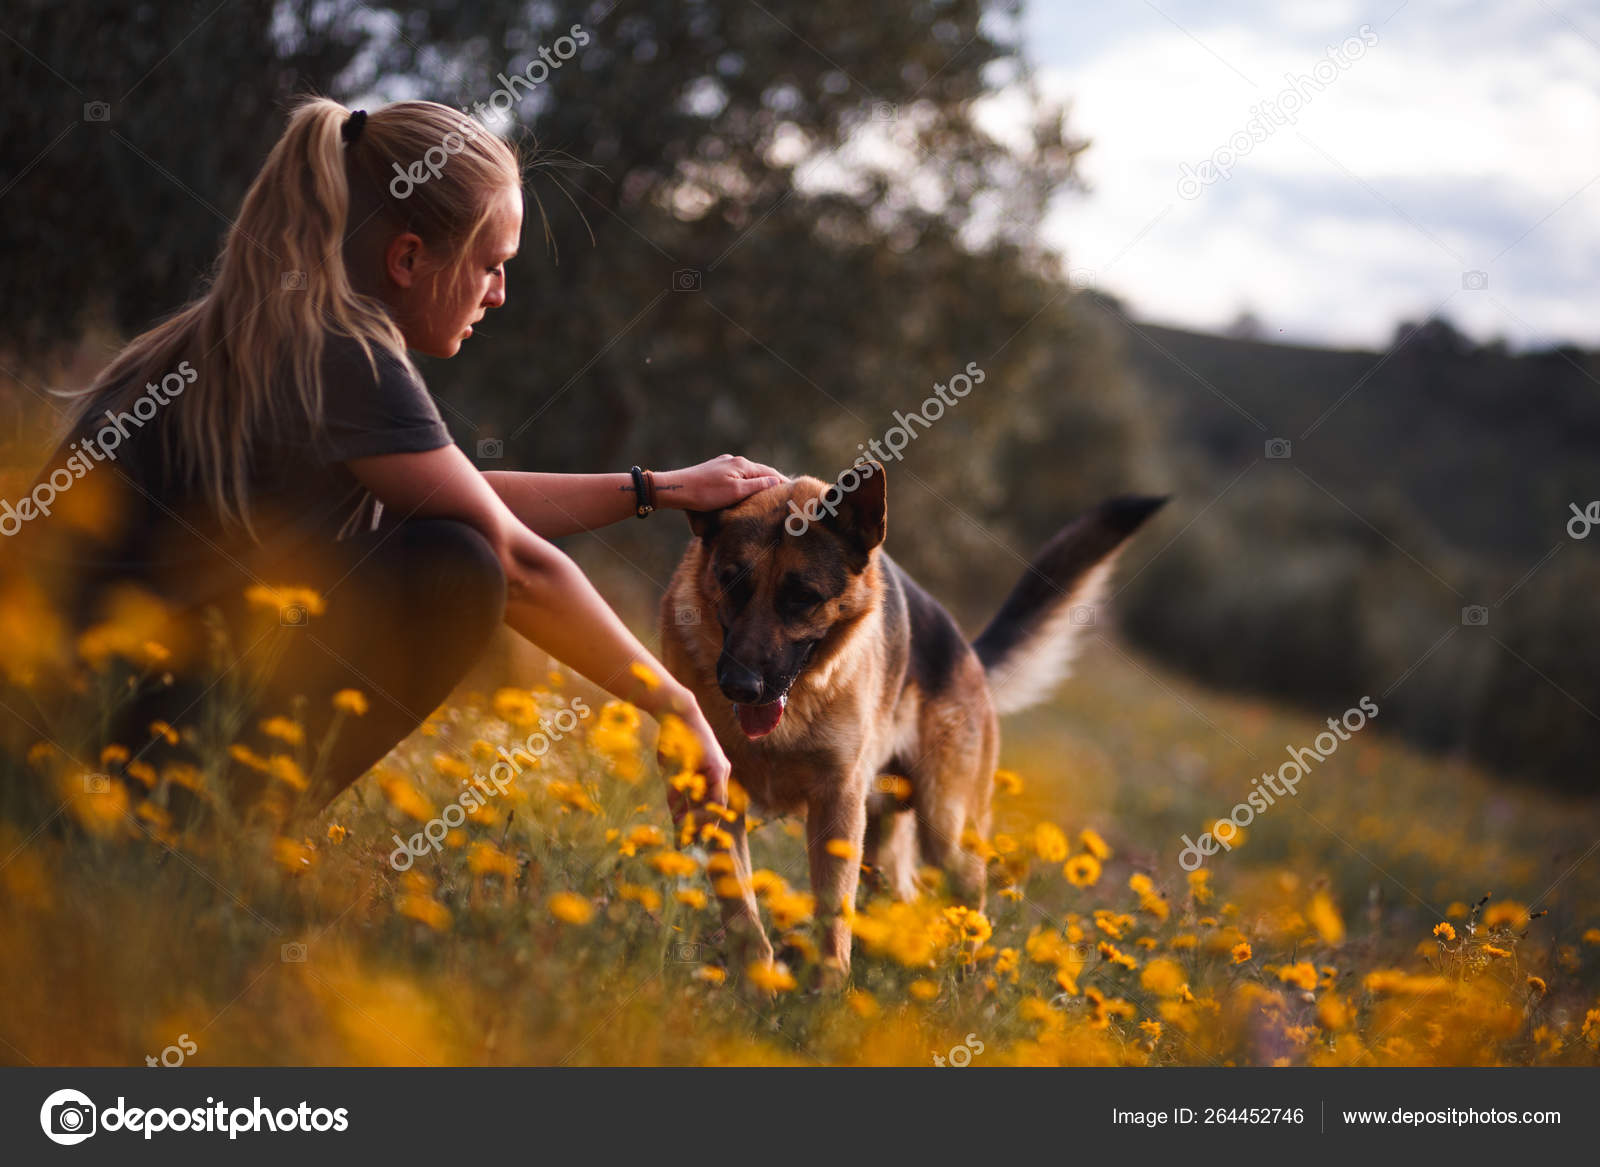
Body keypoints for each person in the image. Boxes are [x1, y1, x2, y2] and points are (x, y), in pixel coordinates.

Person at [6, 97, 784, 822]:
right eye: (491, 263)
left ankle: (182, 825)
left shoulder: (264, 324)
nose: (500, 293)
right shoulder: (343, 355)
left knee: (455, 538)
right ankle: (205, 833)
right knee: (462, 568)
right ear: (408, 258)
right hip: (86, 743)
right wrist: (677, 704)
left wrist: (663, 487)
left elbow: (454, 493)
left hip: (59, 715)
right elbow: (515, 566)